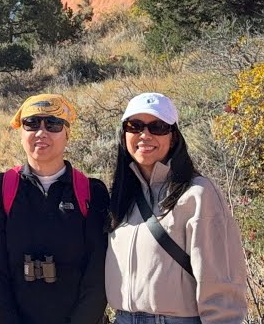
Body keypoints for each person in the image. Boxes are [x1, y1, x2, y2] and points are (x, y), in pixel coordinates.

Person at [104, 92, 248, 324]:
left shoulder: (197, 194)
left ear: (173, 137)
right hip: (123, 318)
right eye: (135, 126)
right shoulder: (122, 196)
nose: (145, 135)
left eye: (158, 127)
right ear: (124, 135)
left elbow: (221, 282)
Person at [0, 93, 109, 324]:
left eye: (53, 124)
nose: (41, 132)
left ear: (67, 134)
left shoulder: (92, 192)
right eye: (31, 123)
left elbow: (97, 274)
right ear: (21, 132)